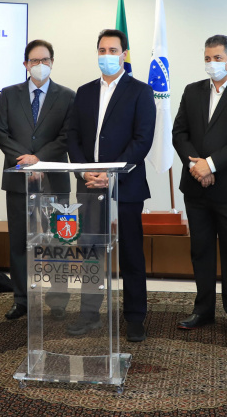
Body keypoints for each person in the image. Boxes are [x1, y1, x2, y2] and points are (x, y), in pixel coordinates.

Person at [67, 29, 155, 342]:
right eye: (102, 50)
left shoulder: (140, 91)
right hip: (89, 186)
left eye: (113, 50)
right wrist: (84, 172)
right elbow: (73, 136)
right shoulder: (85, 91)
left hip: (125, 188)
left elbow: (142, 139)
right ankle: (89, 314)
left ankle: (134, 318)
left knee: (131, 253)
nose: (107, 55)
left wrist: (112, 173)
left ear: (124, 54)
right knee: (91, 252)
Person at [172, 34, 227, 337]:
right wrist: (196, 166)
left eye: (218, 58)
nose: (212, 64)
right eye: (208, 58)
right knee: (201, 250)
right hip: (196, 187)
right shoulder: (192, 90)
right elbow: (179, 132)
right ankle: (203, 310)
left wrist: (209, 165)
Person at [0, 39, 75, 320]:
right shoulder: (8, 94)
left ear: (52, 62)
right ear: (25, 64)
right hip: (18, 181)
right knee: (19, 241)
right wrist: (26, 160)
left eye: (45, 60)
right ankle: (22, 300)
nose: (40, 65)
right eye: (34, 61)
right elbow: (1, 134)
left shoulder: (67, 96)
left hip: (55, 180)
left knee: (57, 241)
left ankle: (57, 300)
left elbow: (66, 136)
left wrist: (39, 159)